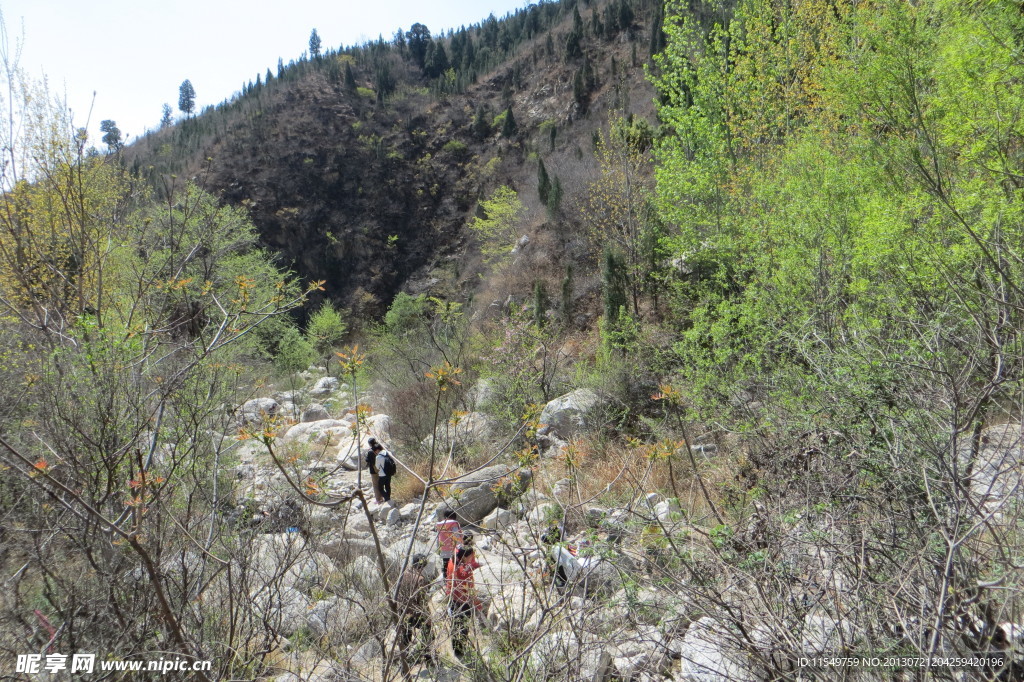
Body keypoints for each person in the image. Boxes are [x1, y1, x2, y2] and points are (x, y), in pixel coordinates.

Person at [396, 554, 435, 666]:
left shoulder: (402, 574)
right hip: (414, 612)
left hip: (401, 611)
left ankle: (403, 665)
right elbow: (422, 602)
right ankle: (428, 659)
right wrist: (428, 617)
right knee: (428, 631)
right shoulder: (420, 580)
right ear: (421, 566)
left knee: (406, 638)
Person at [445, 546, 483, 658]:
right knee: (463, 628)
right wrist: (477, 605)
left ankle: (455, 650)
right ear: (466, 556)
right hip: (463, 602)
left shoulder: (452, 561)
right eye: (471, 556)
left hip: (453, 598)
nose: (472, 558)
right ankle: (460, 653)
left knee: (456, 625)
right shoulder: (466, 571)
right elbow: (470, 589)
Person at [364, 437, 384, 504]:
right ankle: (383, 497)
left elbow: (367, 460)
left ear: (369, 444)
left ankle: (378, 499)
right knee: (381, 483)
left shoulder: (370, 451)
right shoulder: (380, 448)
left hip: (374, 470)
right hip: (382, 468)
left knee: (375, 485)